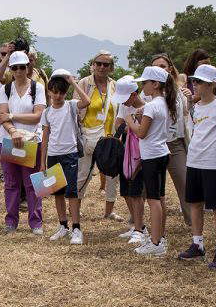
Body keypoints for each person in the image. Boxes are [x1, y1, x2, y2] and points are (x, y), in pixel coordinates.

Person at [176, 64, 216, 270]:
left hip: (213, 165)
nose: (195, 84)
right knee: (195, 203)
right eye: (194, 81)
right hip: (194, 161)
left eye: (199, 81)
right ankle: (197, 244)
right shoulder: (195, 108)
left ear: (212, 84)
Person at [125, 65, 176, 257]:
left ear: (155, 84)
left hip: (152, 156)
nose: (143, 86)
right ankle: (159, 237)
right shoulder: (164, 103)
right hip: (161, 153)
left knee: (153, 200)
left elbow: (141, 133)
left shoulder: (152, 106)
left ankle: (155, 243)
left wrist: (129, 120)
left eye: (145, 82)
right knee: (159, 197)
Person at [0, 50, 46, 234]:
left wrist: (12, 116)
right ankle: (11, 221)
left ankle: (36, 222)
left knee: (33, 183)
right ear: (10, 69)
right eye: (14, 68)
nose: (18, 71)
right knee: (11, 183)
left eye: (22, 67)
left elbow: (37, 116)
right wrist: (13, 130)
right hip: (8, 140)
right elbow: (2, 116)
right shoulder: (5, 89)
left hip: (31, 141)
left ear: (28, 67)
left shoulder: (37, 88)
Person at [40, 74, 90, 245]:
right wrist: (42, 162)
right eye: (54, 92)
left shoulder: (71, 105)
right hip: (53, 155)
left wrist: (73, 82)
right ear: (49, 92)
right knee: (58, 192)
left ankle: (76, 228)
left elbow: (87, 101)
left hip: (70, 154)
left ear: (66, 93)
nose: (58, 95)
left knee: (72, 192)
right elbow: (45, 138)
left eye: (61, 92)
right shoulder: (46, 112)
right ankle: (63, 225)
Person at [75, 52, 122, 219]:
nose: (102, 67)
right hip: (88, 135)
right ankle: (75, 208)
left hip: (110, 137)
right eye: (98, 63)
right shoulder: (84, 83)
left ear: (111, 67)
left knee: (112, 175)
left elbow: (120, 110)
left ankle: (109, 211)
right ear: (93, 65)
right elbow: (75, 108)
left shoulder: (115, 86)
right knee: (83, 174)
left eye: (106, 64)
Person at [150, 54, 191, 227]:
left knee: (185, 183)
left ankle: (193, 222)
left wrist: (188, 97)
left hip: (174, 143)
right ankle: (143, 225)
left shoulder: (180, 92)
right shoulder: (147, 92)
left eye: (163, 66)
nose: (159, 69)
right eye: (155, 67)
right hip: (154, 144)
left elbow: (185, 114)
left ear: (170, 69)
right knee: (152, 188)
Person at [114, 78, 148, 244]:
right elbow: (118, 124)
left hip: (141, 152)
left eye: (125, 98)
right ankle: (137, 225)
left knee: (136, 191)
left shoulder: (147, 106)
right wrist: (132, 125)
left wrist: (130, 124)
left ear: (134, 94)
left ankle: (139, 229)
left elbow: (143, 131)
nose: (123, 102)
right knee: (126, 190)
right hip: (126, 150)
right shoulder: (124, 106)